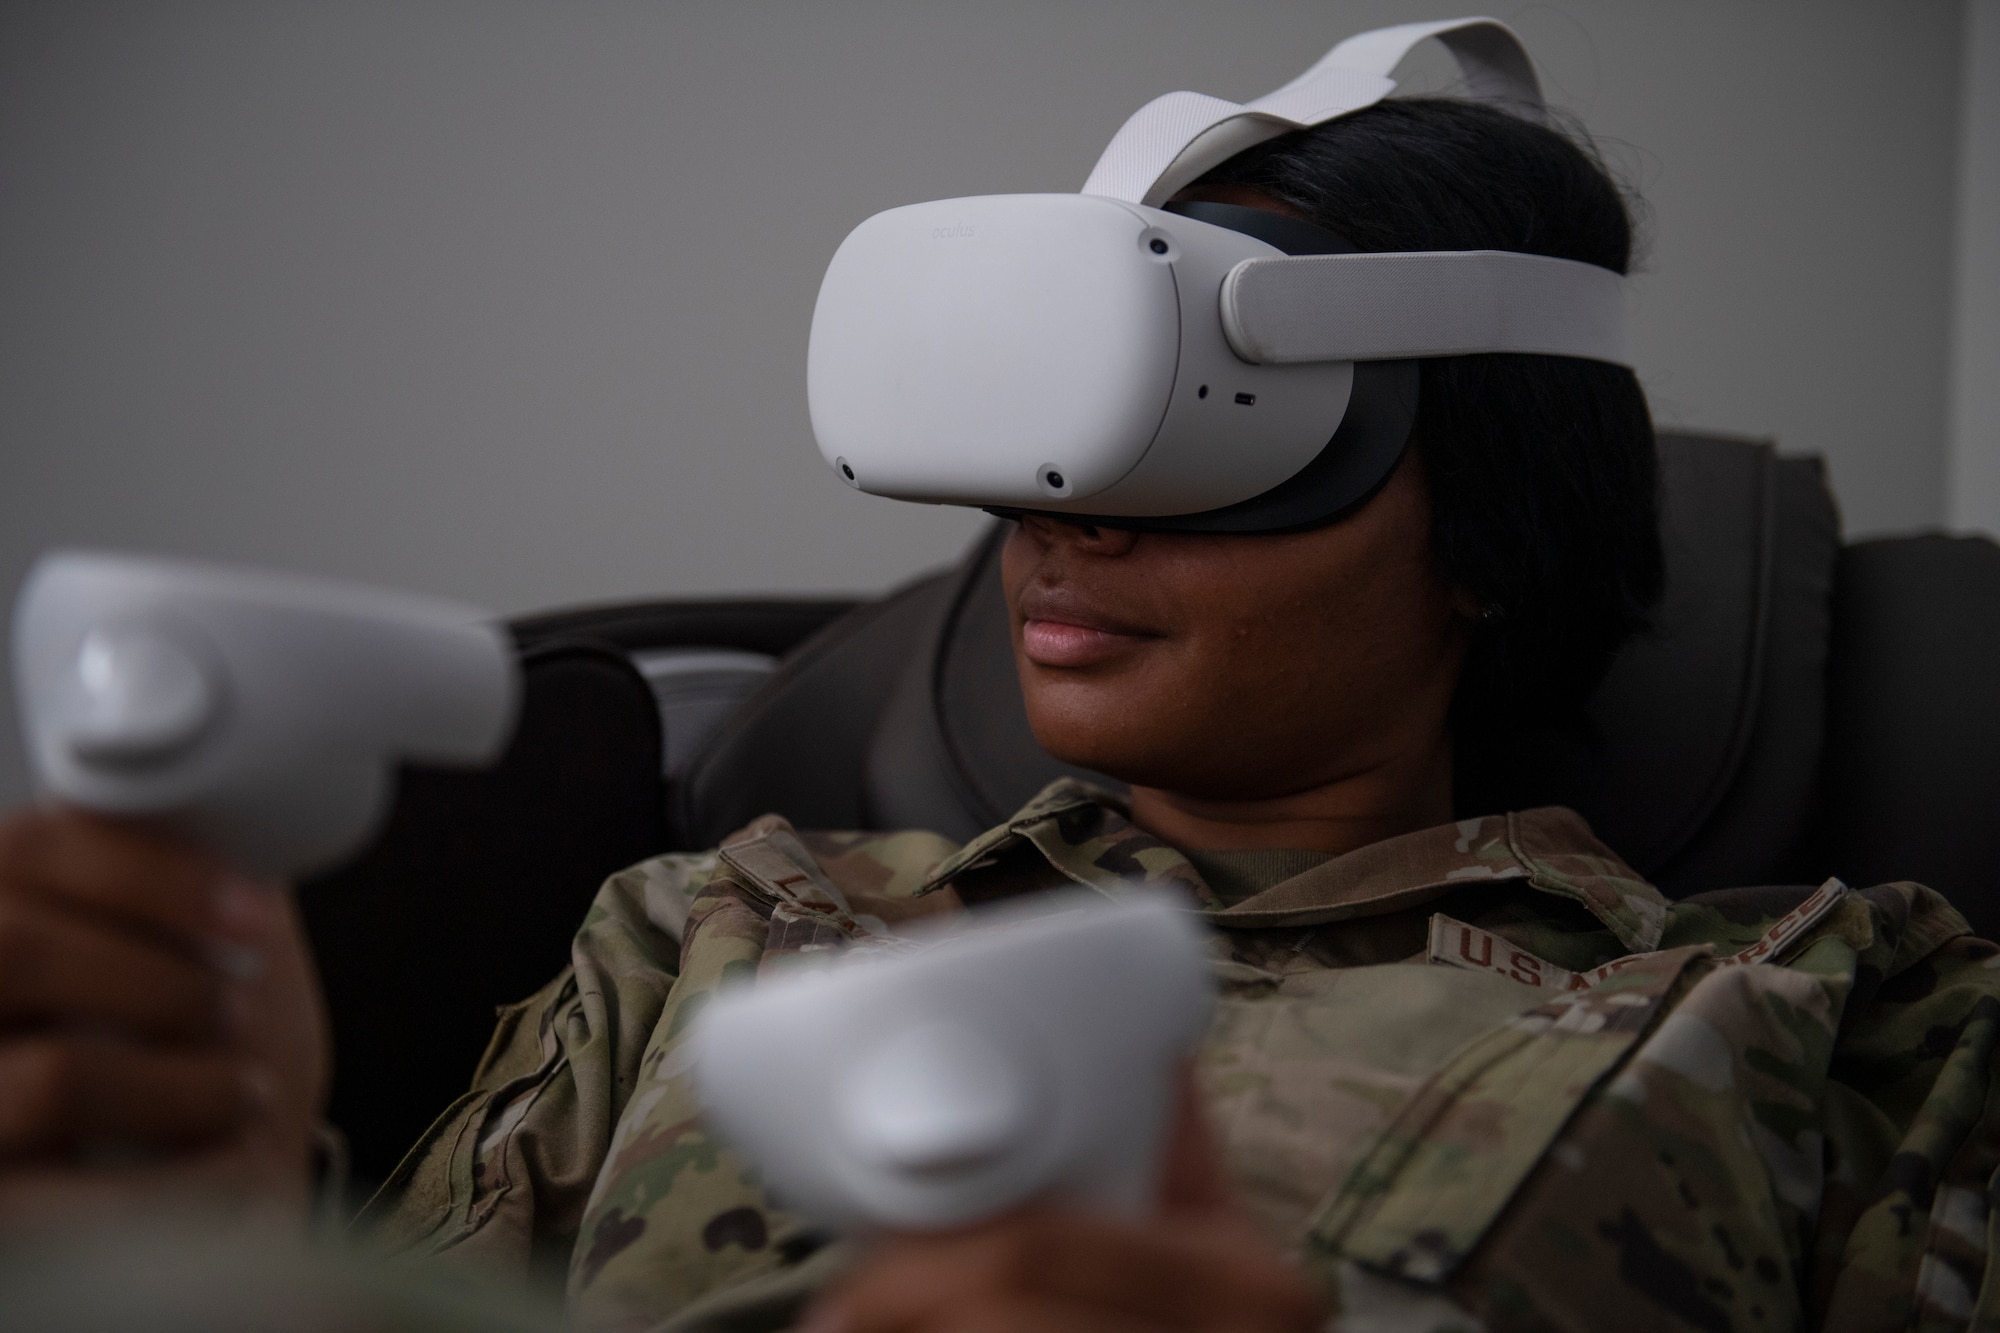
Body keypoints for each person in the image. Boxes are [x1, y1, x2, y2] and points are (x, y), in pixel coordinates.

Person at [2, 94, 1996, 1333]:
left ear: (1488, 518)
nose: (1056, 525)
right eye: (1039, 441)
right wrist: (217, 1239)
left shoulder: (1827, 1017)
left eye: (1207, 436)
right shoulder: (721, 922)